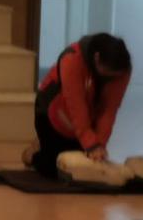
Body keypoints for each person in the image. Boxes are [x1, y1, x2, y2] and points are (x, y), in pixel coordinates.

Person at [24, 33, 132, 178]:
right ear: (97, 58)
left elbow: (109, 110)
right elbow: (76, 107)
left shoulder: (121, 72)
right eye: (108, 73)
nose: (110, 78)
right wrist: (91, 144)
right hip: (51, 114)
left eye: (114, 76)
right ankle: (32, 154)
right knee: (53, 169)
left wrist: (99, 144)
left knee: (83, 170)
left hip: (84, 121)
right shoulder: (72, 59)